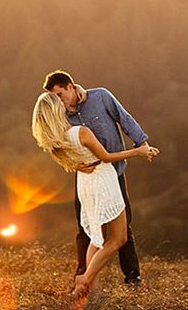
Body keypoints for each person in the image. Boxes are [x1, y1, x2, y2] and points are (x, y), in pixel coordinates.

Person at [32, 91, 159, 296]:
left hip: (86, 184)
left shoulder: (57, 142)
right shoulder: (81, 132)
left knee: (95, 237)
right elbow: (107, 157)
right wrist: (138, 151)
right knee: (119, 238)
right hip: (103, 180)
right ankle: (85, 279)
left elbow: (74, 163)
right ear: (56, 110)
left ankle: (89, 290)